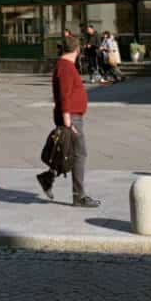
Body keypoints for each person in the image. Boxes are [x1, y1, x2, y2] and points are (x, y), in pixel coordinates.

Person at [37, 35, 100, 207]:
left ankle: (47, 178)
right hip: (71, 116)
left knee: (65, 152)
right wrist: (67, 120)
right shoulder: (65, 67)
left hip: (70, 115)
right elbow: (64, 95)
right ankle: (79, 195)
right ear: (77, 50)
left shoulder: (64, 65)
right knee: (80, 154)